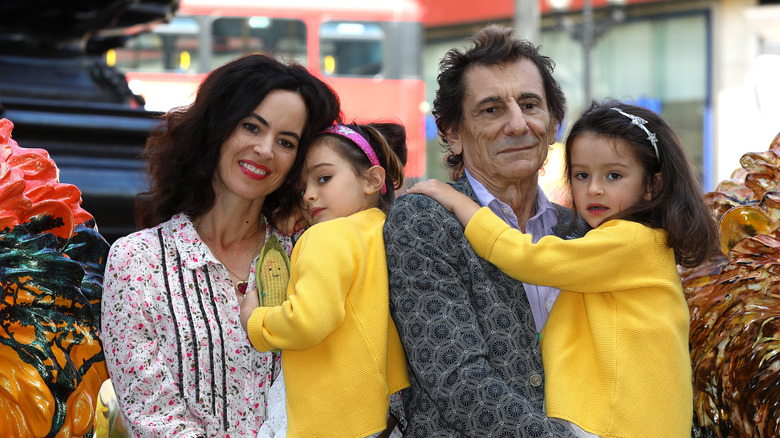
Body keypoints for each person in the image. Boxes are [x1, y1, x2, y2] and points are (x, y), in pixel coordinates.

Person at [410, 99, 718, 437]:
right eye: (582, 175)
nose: (594, 188)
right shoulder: (635, 242)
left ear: (652, 186)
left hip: (611, 423)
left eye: (613, 175)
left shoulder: (630, 240)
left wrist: (461, 205)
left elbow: (527, 257)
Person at [101, 53, 341, 437]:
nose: (264, 149)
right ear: (217, 128)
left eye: (285, 141)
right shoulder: (137, 261)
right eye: (251, 127)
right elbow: (153, 417)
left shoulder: (310, 255)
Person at [383, 24, 589, 436]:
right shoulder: (425, 221)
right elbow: (458, 381)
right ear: (453, 134)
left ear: (553, 124)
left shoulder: (581, 232)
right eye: (491, 109)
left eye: (530, 105)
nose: (517, 125)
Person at [239, 123, 410, 437]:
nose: (309, 196)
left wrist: (256, 321)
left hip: (324, 414)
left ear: (373, 180)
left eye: (323, 178)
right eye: (303, 187)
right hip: (379, 413)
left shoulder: (326, 235)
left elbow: (307, 321)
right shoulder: (384, 231)